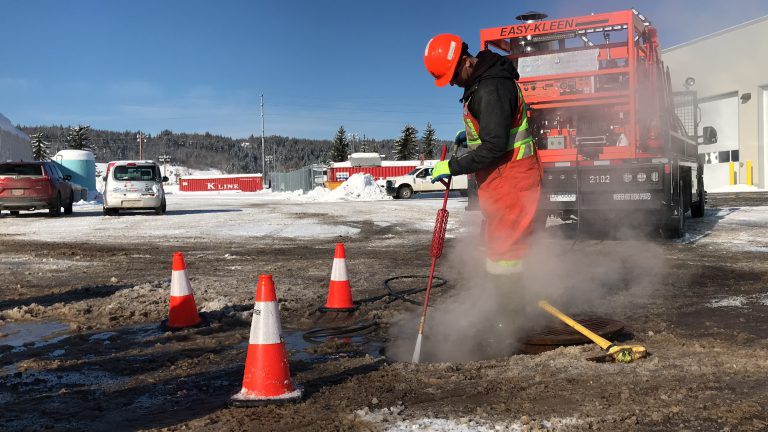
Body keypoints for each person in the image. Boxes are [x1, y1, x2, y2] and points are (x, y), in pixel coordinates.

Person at [423, 33, 542, 299]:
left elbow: (494, 147)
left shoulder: (490, 88)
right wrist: (474, 134)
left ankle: (508, 318)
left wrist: (452, 166)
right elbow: (494, 132)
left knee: (506, 252)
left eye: (453, 76)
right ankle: (505, 306)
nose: (453, 83)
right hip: (502, 177)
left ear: (466, 61)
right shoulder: (483, 84)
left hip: (511, 178)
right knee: (499, 246)